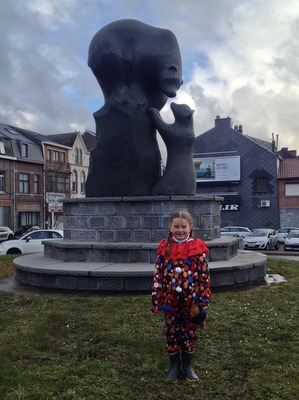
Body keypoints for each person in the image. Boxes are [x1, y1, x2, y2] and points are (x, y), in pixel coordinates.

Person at [151, 210, 211, 383]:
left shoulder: (197, 248)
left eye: (183, 227)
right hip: (170, 301)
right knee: (171, 331)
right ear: (170, 227)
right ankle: (174, 367)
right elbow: (158, 275)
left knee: (189, 331)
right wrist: (157, 297)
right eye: (176, 226)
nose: (180, 230)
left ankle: (188, 366)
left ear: (190, 227)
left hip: (191, 301)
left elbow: (204, 276)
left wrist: (202, 300)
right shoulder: (164, 248)